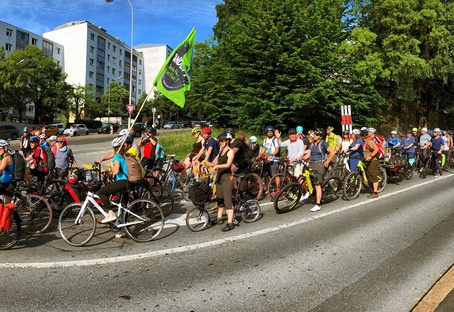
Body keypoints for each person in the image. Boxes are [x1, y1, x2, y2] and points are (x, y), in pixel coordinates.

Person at [202, 133, 235, 232]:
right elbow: (214, 163)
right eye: (220, 141)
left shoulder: (230, 152)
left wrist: (217, 167)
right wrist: (206, 164)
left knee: (227, 200)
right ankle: (219, 218)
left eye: (223, 141)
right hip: (219, 178)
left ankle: (230, 223)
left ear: (227, 141)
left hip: (227, 178)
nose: (221, 143)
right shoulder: (220, 151)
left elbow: (228, 164)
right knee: (219, 199)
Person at [96, 137, 129, 224]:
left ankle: (111, 213)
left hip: (122, 181)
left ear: (115, 148)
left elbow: (116, 171)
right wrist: (103, 161)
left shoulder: (117, 157)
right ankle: (123, 225)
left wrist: (111, 167)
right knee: (123, 205)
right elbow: (111, 155)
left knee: (101, 193)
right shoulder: (123, 155)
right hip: (127, 181)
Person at [302, 129, 335, 212]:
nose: (314, 136)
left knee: (317, 184)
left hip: (319, 164)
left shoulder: (323, 143)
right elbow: (308, 154)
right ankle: (308, 193)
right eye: (314, 134)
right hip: (311, 163)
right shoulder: (311, 144)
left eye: (316, 134)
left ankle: (318, 204)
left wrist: (327, 161)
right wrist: (301, 158)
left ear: (320, 136)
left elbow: (332, 152)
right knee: (305, 179)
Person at [275, 128, 309, 201]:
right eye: (290, 135)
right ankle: (294, 191)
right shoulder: (288, 141)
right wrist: (278, 139)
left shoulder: (299, 141)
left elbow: (301, 151)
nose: (292, 136)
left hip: (297, 163)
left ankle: (305, 191)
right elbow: (281, 145)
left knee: (298, 177)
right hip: (290, 163)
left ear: (296, 135)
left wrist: (294, 158)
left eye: (293, 134)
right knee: (290, 177)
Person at [361, 129, 379, 198]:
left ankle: (375, 193)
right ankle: (367, 186)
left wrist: (370, 156)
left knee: (372, 174)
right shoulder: (364, 142)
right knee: (367, 173)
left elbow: (376, 149)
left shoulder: (369, 142)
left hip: (372, 161)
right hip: (366, 160)